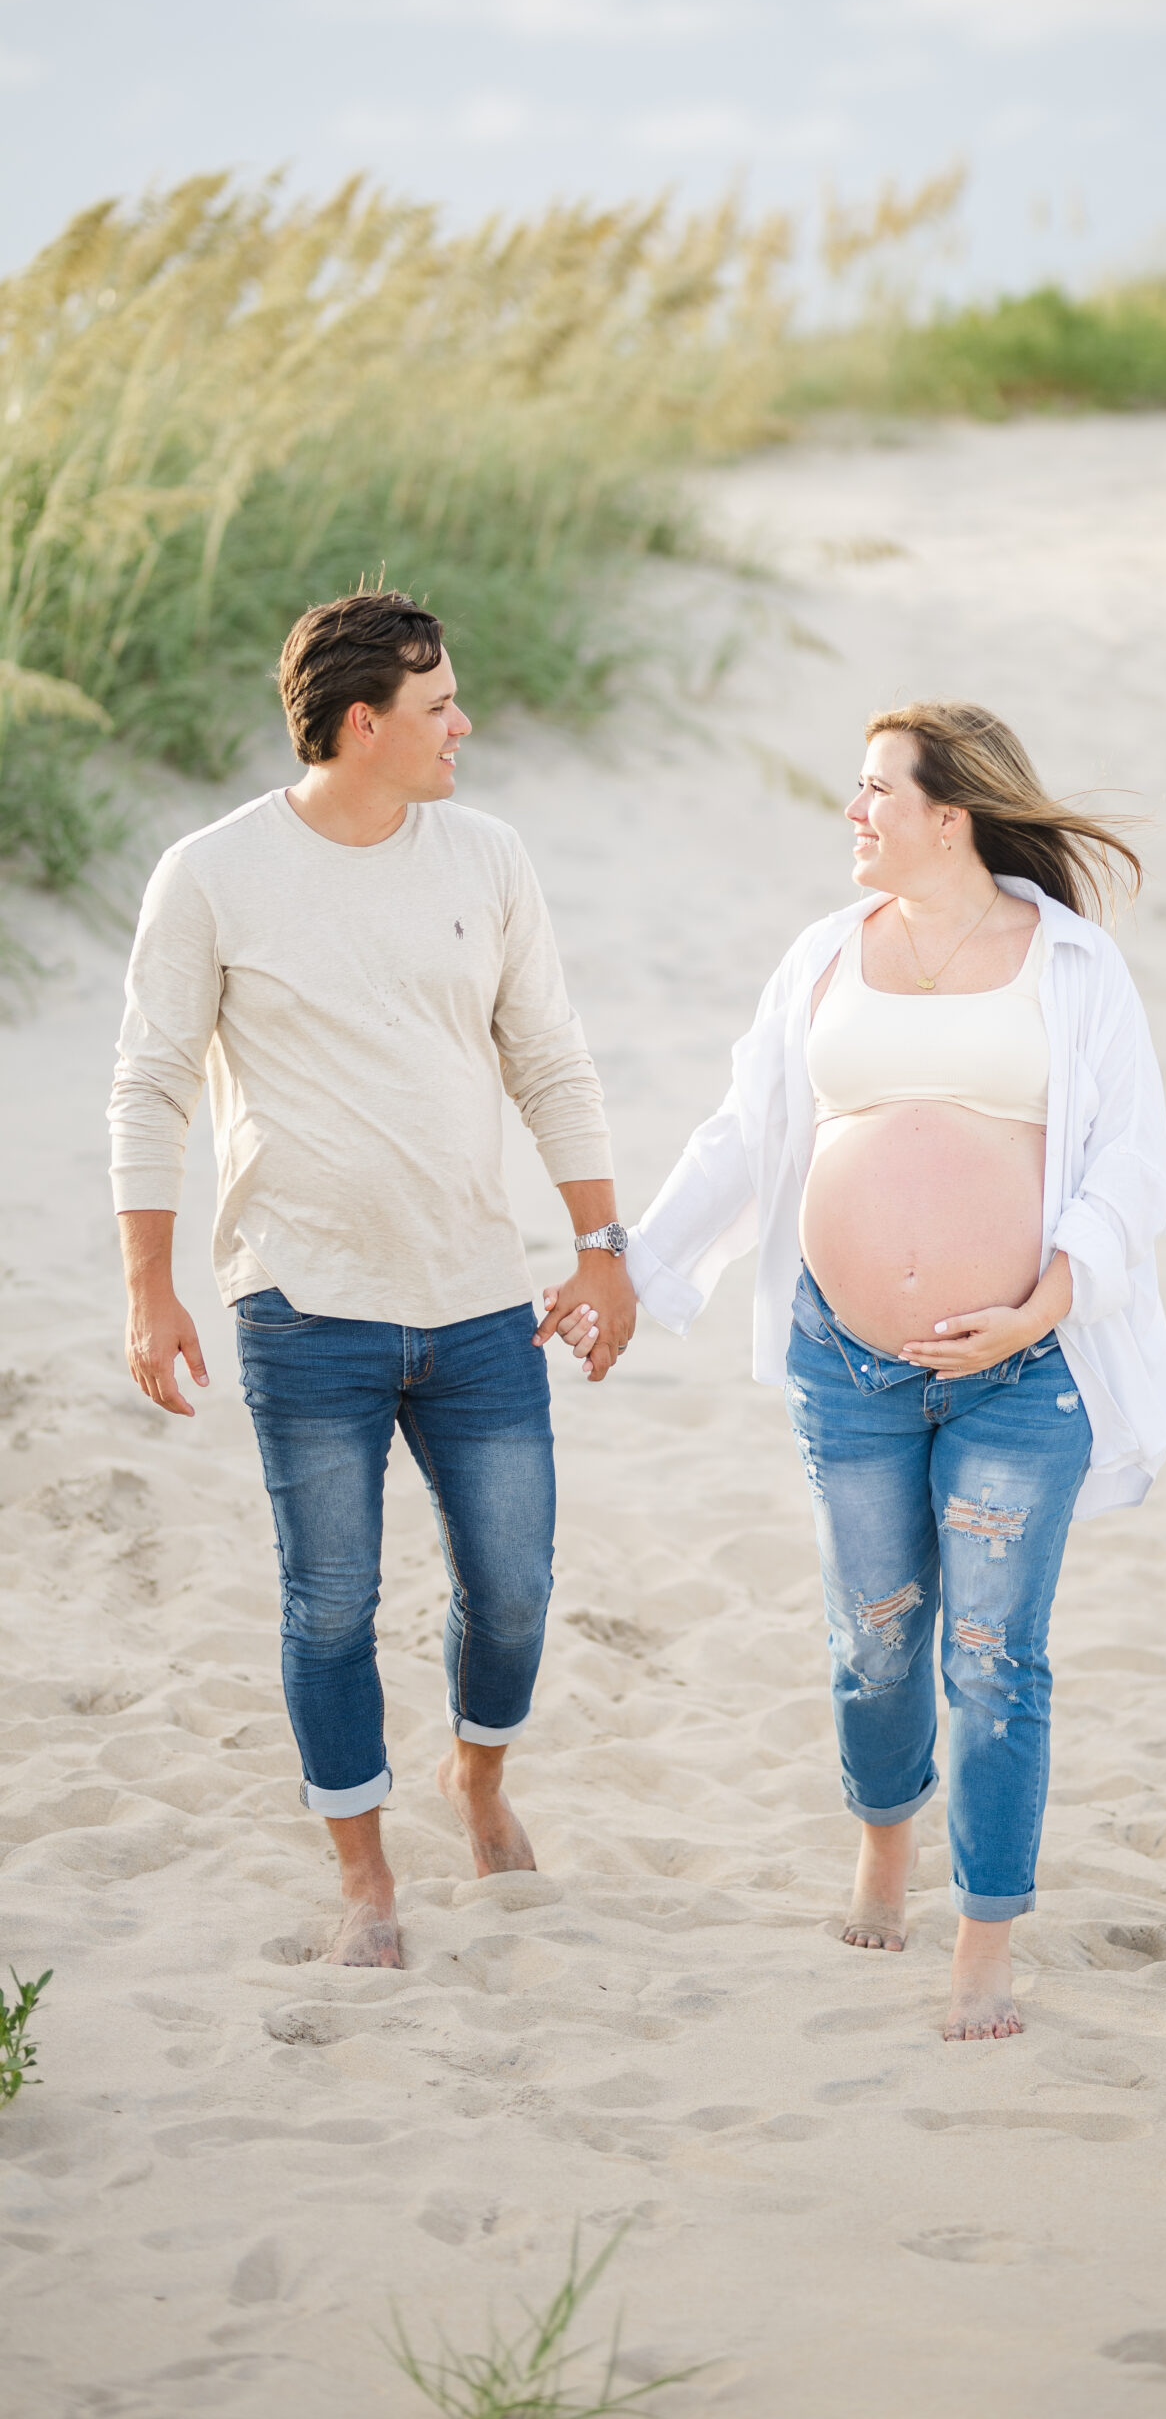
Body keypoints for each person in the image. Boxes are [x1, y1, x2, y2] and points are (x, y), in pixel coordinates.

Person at [600, 701, 1166, 2039]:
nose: (853, 814)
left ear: (950, 814)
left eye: (875, 791)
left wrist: (1037, 1312)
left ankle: (984, 1935)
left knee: (993, 1654)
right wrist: (634, 1266)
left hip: (1023, 1378)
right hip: (845, 1368)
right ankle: (883, 1833)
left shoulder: (1073, 969)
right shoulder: (824, 956)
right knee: (874, 1643)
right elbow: (747, 1134)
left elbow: (1130, 1168)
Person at [107, 589, 636, 1967]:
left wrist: (601, 1244)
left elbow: (551, 1060)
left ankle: (478, 1776)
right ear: (364, 721)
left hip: (475, 1301)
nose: (464, 723)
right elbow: (148, 1085)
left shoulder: (488, 857)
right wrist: (150, 1287)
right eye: (441, 704)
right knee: (329, 1601)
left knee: (513, 1585)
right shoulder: (212, 874)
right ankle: (363, 1875)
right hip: (299, 1303)